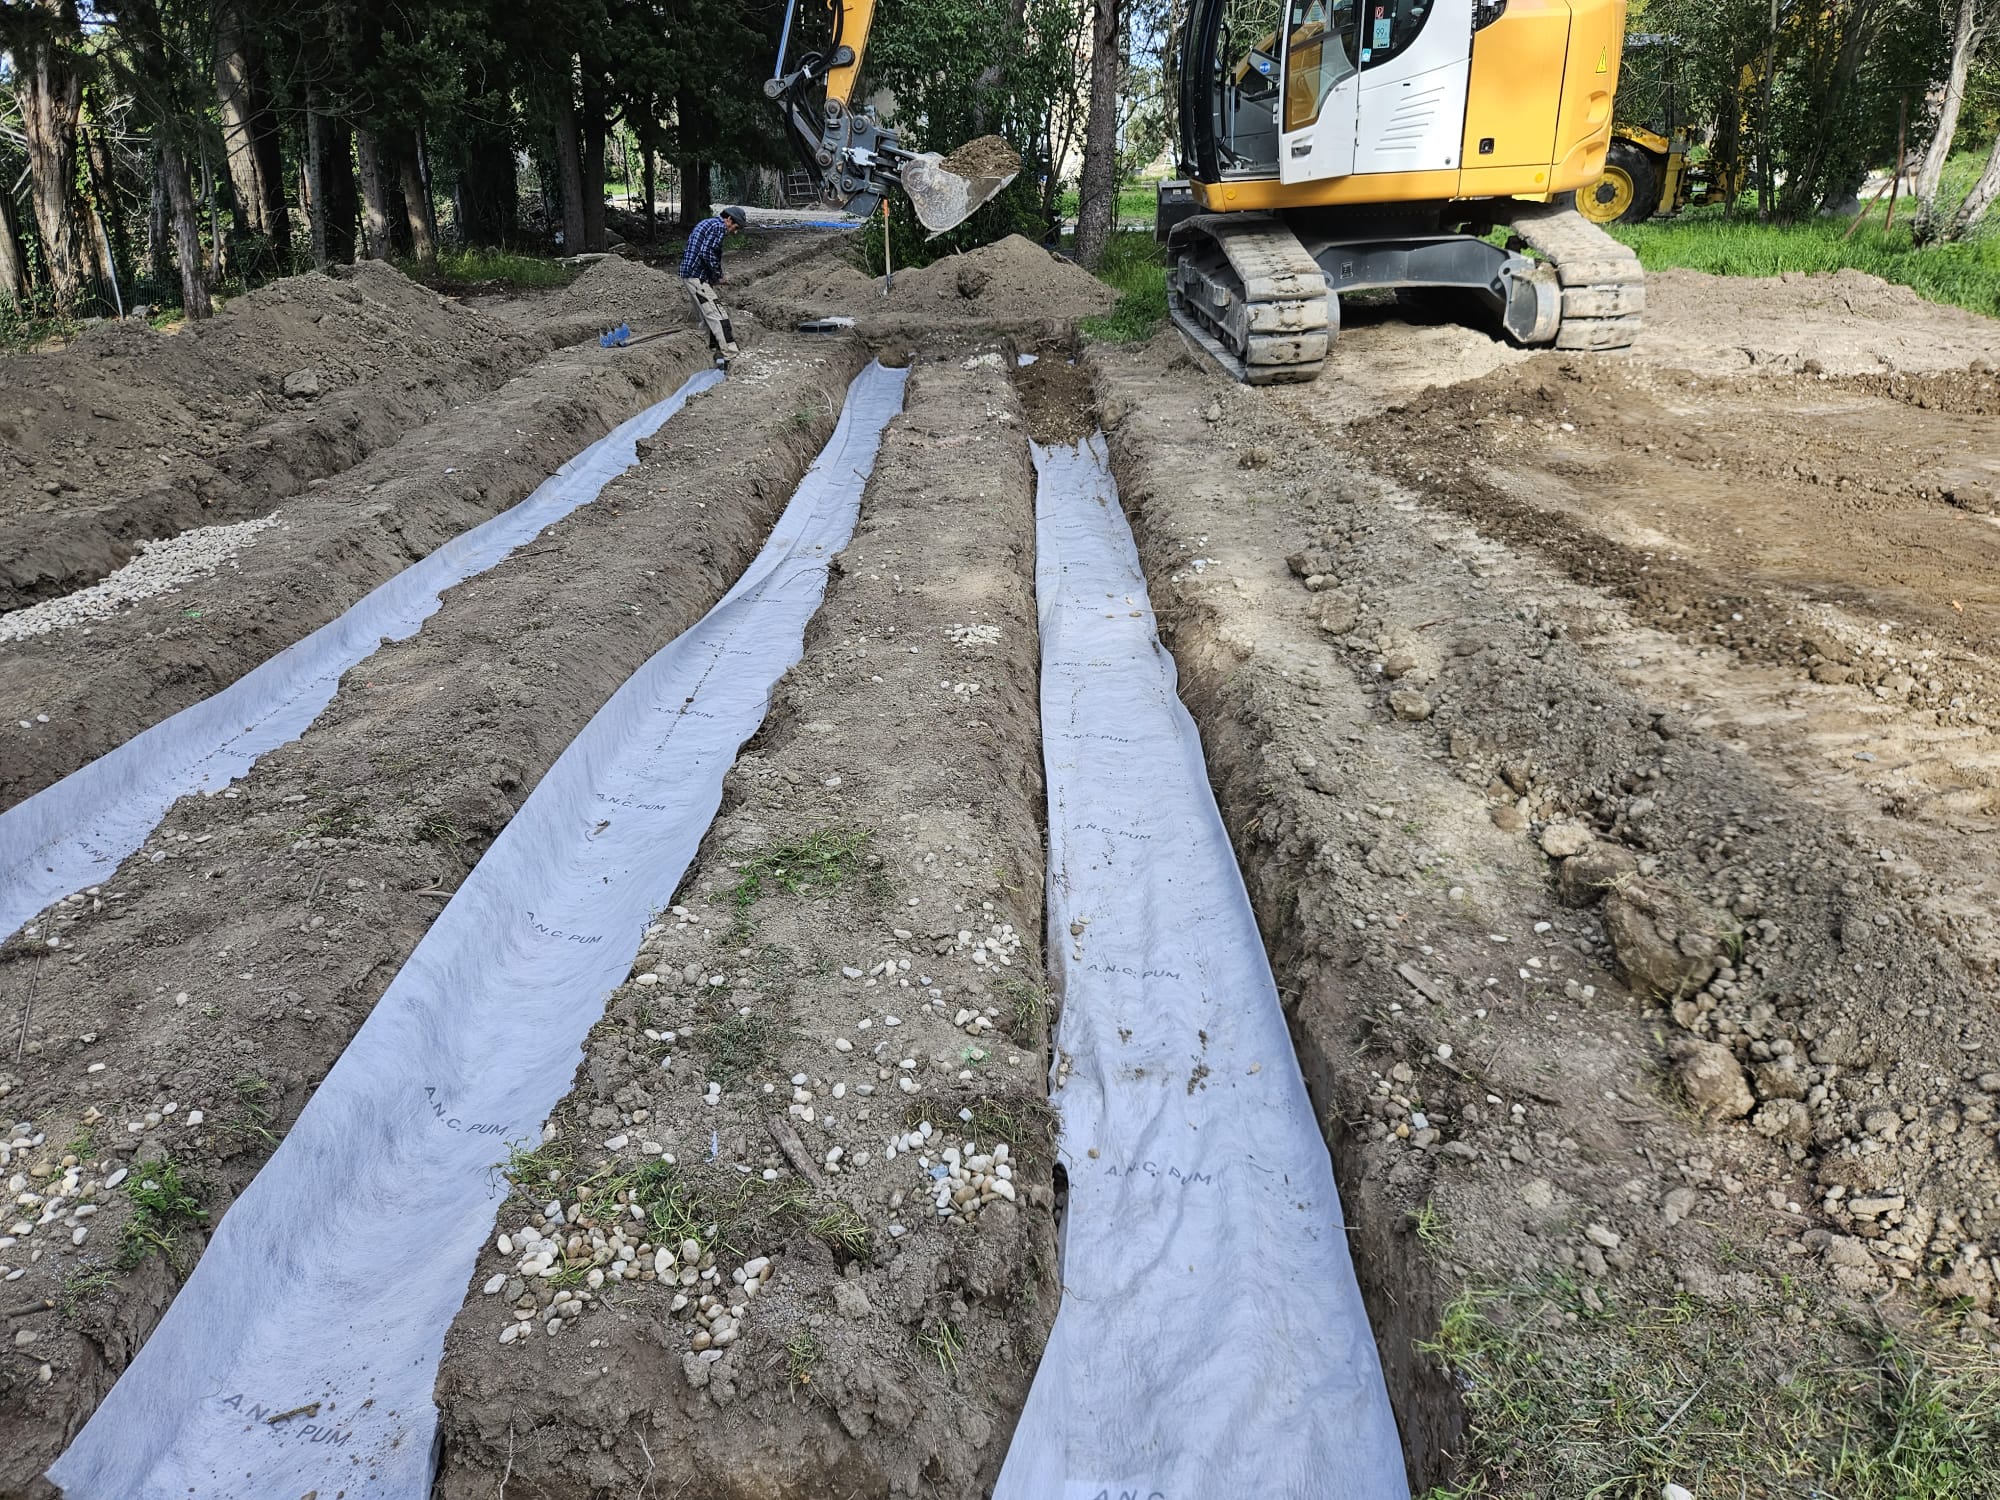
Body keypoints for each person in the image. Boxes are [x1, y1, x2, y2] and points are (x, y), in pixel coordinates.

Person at [680, 205, 746, 369]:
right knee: (718, 315)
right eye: (736, 227)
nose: (735, 232)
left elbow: (702, 251)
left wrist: (712, 277)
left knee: (706, 316)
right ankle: (731, 355)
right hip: (696, 277)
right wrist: (718, 275)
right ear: (728, 219)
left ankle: (712, 352)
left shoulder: (708, 223)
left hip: (691, 274)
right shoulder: (718, 227)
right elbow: (707, 252)